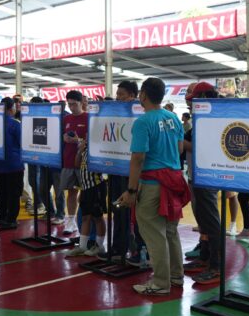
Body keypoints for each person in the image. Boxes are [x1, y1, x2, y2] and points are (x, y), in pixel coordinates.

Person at [118, 77, 190, 295]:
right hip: (174, 181)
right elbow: (179, 150)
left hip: (152, 184)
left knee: (154, 232)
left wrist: (131, 190)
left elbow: (138, 158)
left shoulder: (143, 122)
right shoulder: (173, 118)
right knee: (170, 231)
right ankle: (176, 275)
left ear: (143, 95)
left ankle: (160, 283)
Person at [182, 81, 223, 285]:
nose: (189, 104)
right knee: (204, 222)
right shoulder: (200, 118)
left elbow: (203, 148)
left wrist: (181, 142)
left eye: (193, 99)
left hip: (208, 176)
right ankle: (205, 256)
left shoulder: (211, 119)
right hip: (196, 175)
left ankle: (216, 266)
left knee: (211, 222)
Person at [98, 81, 138, 263]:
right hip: (115, 169)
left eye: (121, 94)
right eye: (117, 94)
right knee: (116, 209)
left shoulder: (138, 116)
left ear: (132, 96)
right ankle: (117, 247)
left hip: (130, 172)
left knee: (127, 213)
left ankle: (131, 249)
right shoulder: (115, 114)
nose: (118, 97)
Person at [66, 133, 107, 257]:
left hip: (96, 186)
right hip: (85, 187)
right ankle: (82, 246)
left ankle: (99, 246)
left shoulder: (99, 147)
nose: (87, 135)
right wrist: (80, 150)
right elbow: (77, 164)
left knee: (97, 217)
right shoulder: (85, 147)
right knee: (85, 217)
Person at [0, 97, 24, 227]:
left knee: (0, 191)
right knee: (14, 192)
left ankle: (1, 216)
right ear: (11, 109)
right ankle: (11, 219)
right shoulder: (15, 124)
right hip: (14, 164)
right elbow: (22, 143)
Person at [60, 90, 87, 235]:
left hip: (84, 163)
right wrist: (64, 138)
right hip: (69, 160)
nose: (71, 107)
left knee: (85, 193)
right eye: (69, 104)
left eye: (74, 104)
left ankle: (83, 221)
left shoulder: (88, 118)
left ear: (81, 102)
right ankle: (70, 221)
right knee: (71, 192)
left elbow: (93, 140)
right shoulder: (66, 119)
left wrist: (79, 140)